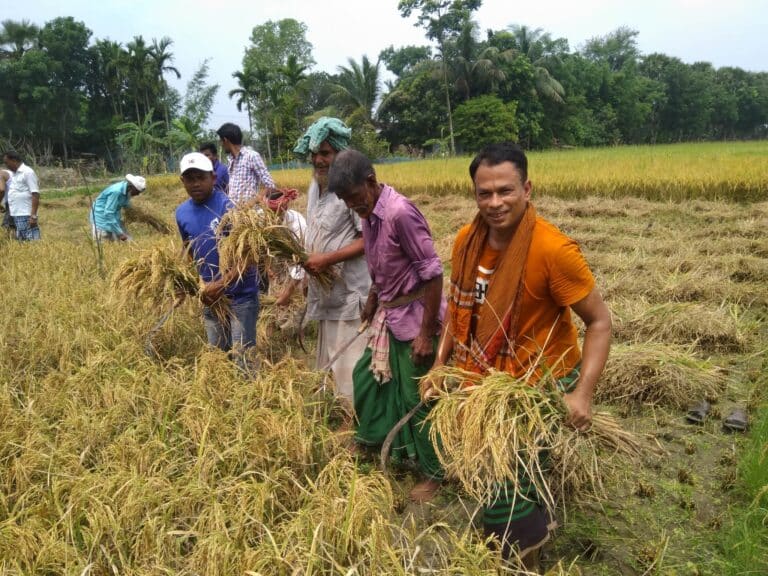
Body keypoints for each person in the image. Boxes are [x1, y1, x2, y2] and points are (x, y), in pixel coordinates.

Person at [421, 142, 612, 568]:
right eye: (483, 193)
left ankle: (522, 557)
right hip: (482, 380)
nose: (494, 202)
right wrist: (439, 366)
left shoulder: (553, 251)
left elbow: (599, 323)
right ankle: (529, 529)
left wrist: (582, 395)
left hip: (535, 385)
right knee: (499, 475)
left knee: (503, 479)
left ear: (527, 188)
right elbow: (458, 309)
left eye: (505, 191)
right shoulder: (467, 241)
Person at [329, 149, 447, 503]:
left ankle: (436, 473)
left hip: (415, 319)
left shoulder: (399, 214)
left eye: (354, 197)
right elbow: (380, 263)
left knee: (418, 398)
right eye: (345, 201)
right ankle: (375, 441)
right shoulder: (370, 215)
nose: (352, 206)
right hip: (389, 315)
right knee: (368, 379)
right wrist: (372, 298)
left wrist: (426, 334)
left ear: (371, 181)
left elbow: (433, 273)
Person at [286, 117, 371, 412]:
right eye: (315, 154)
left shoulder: (352, 188)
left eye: (326, 153)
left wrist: (328, 259)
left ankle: (357, 419)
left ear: (339, 153)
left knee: (352, 359)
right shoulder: (315, 187)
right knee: (331, 359)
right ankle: (337, 412)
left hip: (351, 292)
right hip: (325, 292)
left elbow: (369, 239)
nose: (319, 160)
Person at [175, 152, 260, 372]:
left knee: (243, 360)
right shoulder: (181, 213)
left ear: (213, 178)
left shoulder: (229, 208)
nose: (195, 184)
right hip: (211, 298)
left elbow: (249, 255)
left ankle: (249, 400)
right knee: (217, 357)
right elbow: (190, 251)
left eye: (201, 177)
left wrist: (222, 284)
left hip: (240, 296)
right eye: (190, 178)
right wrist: (191, 283)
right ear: (181, 181)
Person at [216, 123, 274, 205]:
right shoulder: (230, 160)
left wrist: (251, 203)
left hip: (249, 213)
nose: (221, 145)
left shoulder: (252, 156)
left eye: (221, 141)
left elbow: (270, 186)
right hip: (234, 212)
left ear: (225, 140)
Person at [90, 174, 146, 241]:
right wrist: (120, 234)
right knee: (105, 243)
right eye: (137, 191)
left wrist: (138, 214)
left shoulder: (127, 191)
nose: (138, 194)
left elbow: (126, 205)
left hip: (114, 217)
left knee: (127, 240)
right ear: (131, 187)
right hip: (101, 218)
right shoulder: (117, 192)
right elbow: (108, 213)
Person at [2, 150, 41, 241]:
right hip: (16, 213)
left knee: (31, 240)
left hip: (25, 214)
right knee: (22, 241)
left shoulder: (27, 172)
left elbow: (35, 194)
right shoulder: (15, 174)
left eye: (7, 163)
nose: (6, 166)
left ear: (14, 160)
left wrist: (33, 216)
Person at [0, 167, 15, 237]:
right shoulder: (11, 172)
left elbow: (1, 190)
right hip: (22, 201)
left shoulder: (1, 174)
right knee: (14, 225)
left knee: (6, 226)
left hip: (12, 201)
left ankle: (7, 244)